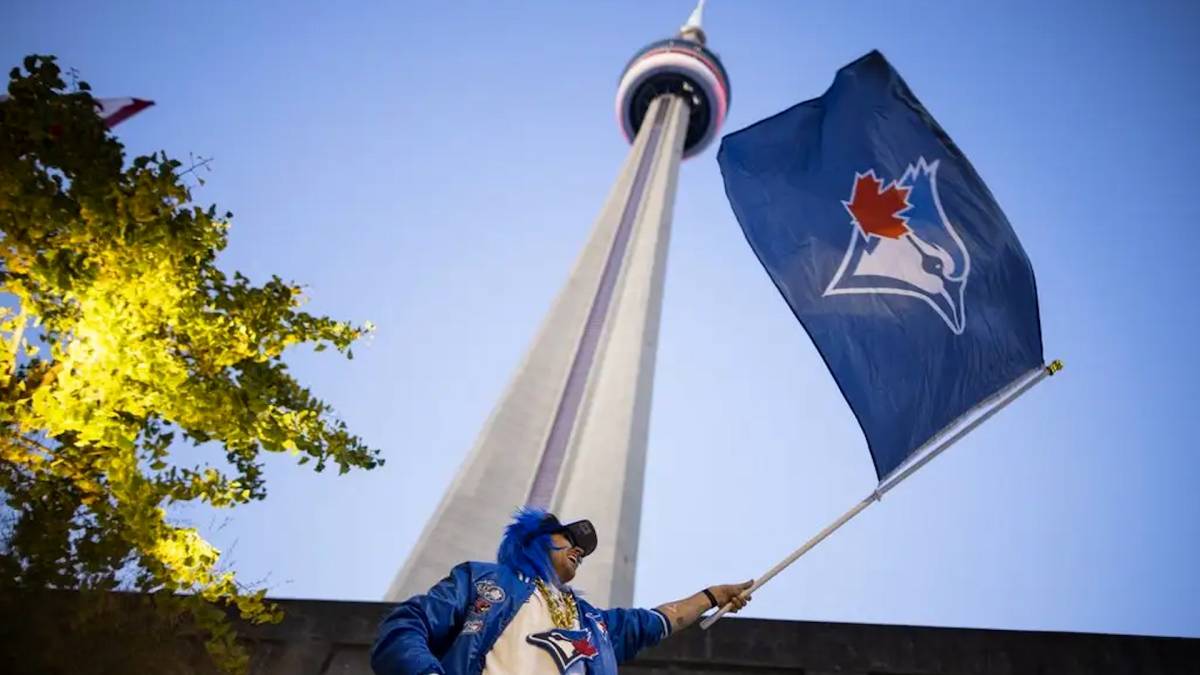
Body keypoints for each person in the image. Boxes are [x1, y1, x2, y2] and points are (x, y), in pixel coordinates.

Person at [372, 508, 752, 674]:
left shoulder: (594, 625)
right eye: (567, 538)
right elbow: (407, 627)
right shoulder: (483, 580)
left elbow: (658, 620)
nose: (578, 549)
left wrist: (713, 595)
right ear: (532, 540)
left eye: (582, 550)